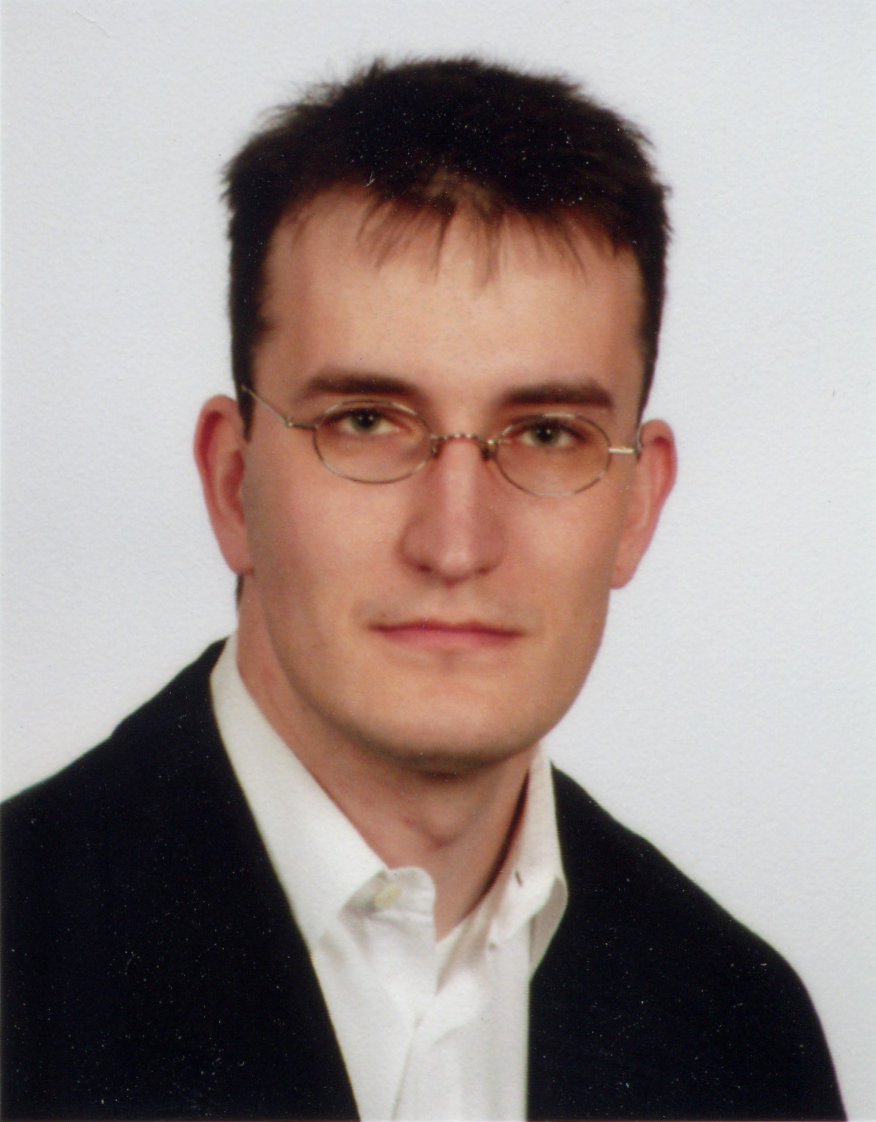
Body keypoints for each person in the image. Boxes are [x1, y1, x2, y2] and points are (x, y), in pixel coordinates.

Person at [1, 57, 845, 1121]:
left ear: (636, 507)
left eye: (548, 434)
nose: (455, 544)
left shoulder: (743, 1027)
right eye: (366, 422)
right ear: (232, 483)